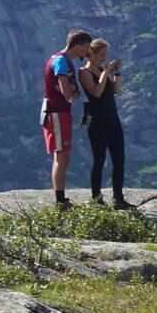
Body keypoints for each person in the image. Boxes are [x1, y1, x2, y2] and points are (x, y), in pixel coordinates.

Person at [79, 38, 130, 208]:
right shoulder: (84, 72)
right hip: (97, 120)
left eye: (105, 56)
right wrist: (105, 72)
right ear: (92, 53)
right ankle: (96, 198)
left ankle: (118, 198)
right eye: (101, 55)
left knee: (119, 159)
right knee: (99, 159)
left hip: (112, 118)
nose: (104, 58)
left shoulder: (102, 70)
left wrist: (115, 73)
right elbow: (96, 93)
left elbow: (115, 90)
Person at [42, 29, 91, 207]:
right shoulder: (61, 61)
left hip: (61, 112)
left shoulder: (66, 62)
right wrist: (69, 90)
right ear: (79, 46)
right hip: (56, 112)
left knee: (64, 156)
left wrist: (71, 90)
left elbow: (74, 94)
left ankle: (61, 198)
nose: (87, 53)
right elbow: (67, 92)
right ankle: (60, 200)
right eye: (86, 48)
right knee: (61, 157)